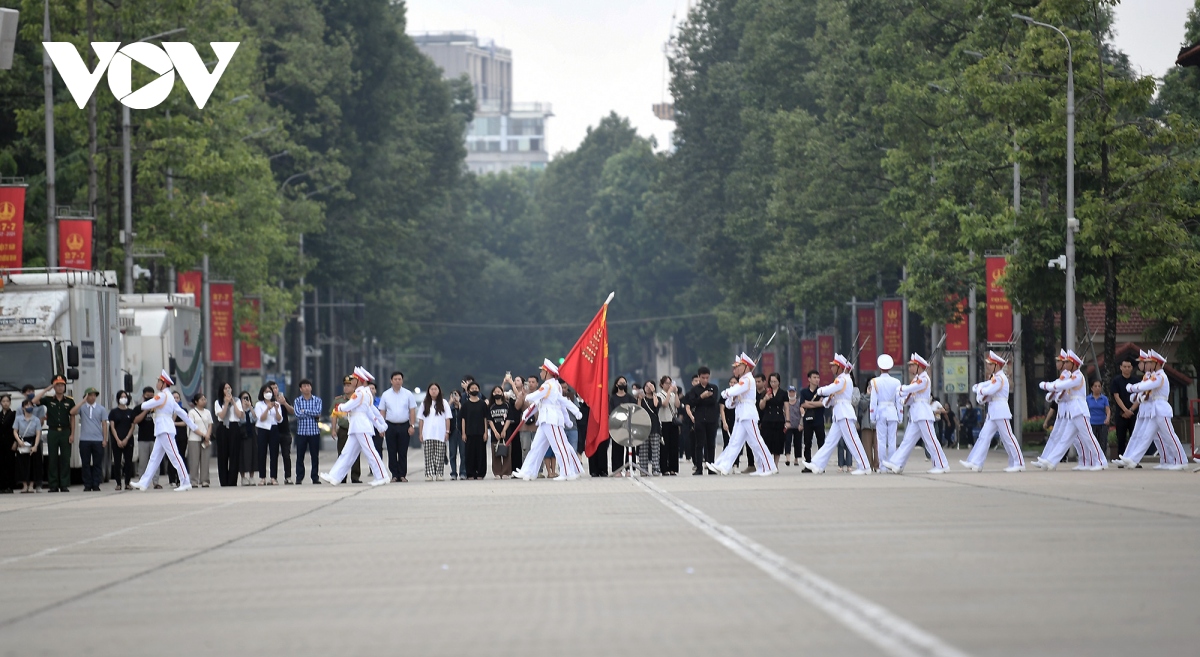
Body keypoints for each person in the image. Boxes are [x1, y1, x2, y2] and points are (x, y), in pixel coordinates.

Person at [1035, 350, 1107, 471]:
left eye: (1068, 362)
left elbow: (1060, 385)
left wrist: (1046, 385)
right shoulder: (1072, 376)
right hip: (1073, 412)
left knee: (1089, 437)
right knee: (1065, 438)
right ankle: (1051, 461)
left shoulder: (1078, 377)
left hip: (1080, 410)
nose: (1065, 364)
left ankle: (1101, 461)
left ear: (1074, 364)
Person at [513, 360, 584, 481]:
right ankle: (528, 471)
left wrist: (524, 396)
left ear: (547, 373)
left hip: (551, 419)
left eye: (542, 371)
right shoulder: (554, 385)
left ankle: (567, 472)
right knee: (537, 446)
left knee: (559, 446)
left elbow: (534, 398)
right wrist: (526, 413)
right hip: (546, 420)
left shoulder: (548, 386)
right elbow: (539, 403)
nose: (540, 373)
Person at [799, 354, 870, 475]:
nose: (831, 368)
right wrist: (827, 401)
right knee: (830, 442)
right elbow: (833, 398)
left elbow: (830, 389)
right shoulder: (841, 379)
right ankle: (818, 464)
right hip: (839, 414)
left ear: (839, 367)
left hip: (844, 413)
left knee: (853, 440)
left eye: (833, 366)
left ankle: (864, 466)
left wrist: (820, 391)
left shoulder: (842, 379)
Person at [1117, 350, 1188, 470]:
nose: (1147, 364)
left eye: (1150, 362)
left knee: (1170, 436)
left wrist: (1131, 387)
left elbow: (1145, 386)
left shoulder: (1160, 377)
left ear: (1157, 364)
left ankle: (1181, 461)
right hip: (1155, 411)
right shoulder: (1154, 376)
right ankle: (1133, 460)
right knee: (1146, 436)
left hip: (1161, 409)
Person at [707, 353, 775, 476]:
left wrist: (726, 392)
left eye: (738, 367)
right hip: (741, 414)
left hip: (748, 414)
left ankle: (769, 467)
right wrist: (731, 398)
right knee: (735, 442)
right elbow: (730, 404)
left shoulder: (747, 380)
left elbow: (735, 391)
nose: (735, 369)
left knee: (757, 442)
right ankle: (723, 465)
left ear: (746, 367)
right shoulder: (743, 380)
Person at [129, 371, 197, 492]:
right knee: (154, 458)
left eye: (159, 381)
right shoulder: (169, 397)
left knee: (174, 456)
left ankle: (185, 481)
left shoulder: (162, 395)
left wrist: (143, 404)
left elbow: (146, 405)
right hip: (162, 429)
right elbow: (181, 412)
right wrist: (193, 426)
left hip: (165, 428)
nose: (157, 383)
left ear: (163, 383)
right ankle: (144, 482)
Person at [320, 367, 389, 486]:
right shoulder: (366, 393)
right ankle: (335, 476)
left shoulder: (360, 393)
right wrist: (380, 425)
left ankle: (382, 476)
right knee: (347, 453)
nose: (351, 381)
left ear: (359, 381)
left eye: (353, 379)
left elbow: (349, 406)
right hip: (357, 426)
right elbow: (372, 411)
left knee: (370, 452)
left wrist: (339, 407)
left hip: (360, 426)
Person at [882, 353, 949, 474]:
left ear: (918, 366)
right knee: (907, 441)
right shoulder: (916, 379)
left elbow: (910, 389)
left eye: (912, 365)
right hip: (916, 414)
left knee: (931, 441)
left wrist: (901, 389)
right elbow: (912, 397)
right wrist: (903, 399)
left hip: (923, 413)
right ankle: (897, 463)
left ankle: (942, 464)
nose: (910, 368)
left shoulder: (924, 379)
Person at [961, 351, 1024, 472]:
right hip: (993, 411)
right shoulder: (996, 378)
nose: (988, 366)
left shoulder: (1000, 378)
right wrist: (980, 387)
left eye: (990, 364)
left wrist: (979, 388)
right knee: (983, 436)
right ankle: (976, 462)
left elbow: (988, 390)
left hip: (1000, 411)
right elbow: (987, 387)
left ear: (997, 365)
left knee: (1008, 438)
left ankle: (1019, 462)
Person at [35, 376, 75, 493]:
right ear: (54, 387)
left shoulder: (69, 401)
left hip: (65, 431)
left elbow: (72, 418)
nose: (60, 387)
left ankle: (64, 484)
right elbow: (34, 401)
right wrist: (46, 389)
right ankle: (53, 484)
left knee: (65, 459)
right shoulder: (48, 399)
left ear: (65, 387)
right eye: (57, 385)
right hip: (52, 431)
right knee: (52, 459)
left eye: (62, 385)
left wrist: (72, 434)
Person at [378, 371, 418, 483]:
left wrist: (412, 425)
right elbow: (382, 412)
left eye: (399, 379)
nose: (397, 381)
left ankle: (402, 475)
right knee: (391, 451)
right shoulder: (386, 394)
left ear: (402, 380)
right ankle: (394, 474)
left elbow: (412, 410)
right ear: (391, 381)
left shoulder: (408, 394)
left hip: (404, 425)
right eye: (395, 379)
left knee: (402, 451)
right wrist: (382, 427)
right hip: (390, 425)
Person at [69, 387, 108, 492]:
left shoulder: (101, 409)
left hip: (97, 440)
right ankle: (87, 484)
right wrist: (82, 401)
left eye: (94, 395)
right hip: (85, 440)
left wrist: (105, 439)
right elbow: (72, 412)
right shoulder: (82, 408)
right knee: (85, 463)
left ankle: (96, 484)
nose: (92, 397)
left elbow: (104, 424)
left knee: (97, 463)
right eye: (90, 395)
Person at [868, 354, 902, 472]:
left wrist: (872, 416)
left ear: (880, 367)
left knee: (881, 441)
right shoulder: (896, 382)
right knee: (892, 441)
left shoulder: (875, 381)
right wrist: (900, 415)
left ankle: (882, 466)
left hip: (880, 412)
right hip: (892, 411)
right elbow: (899, 401)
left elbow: (873, 401)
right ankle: (892, 464)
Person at [685, 368, 721, 476]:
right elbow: (692, 403)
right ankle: (699, 468)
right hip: (699, 419)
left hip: (711, 419)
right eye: (703, 378)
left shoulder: (713, 387)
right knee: (699, 444)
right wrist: (702, 397)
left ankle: (711, 467)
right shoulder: (694, 390)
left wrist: (701, 400)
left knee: (711, 444)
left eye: (707, 378)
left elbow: (713, 401)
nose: (705, 380)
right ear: (699, 377)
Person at [330, 376, 362, 484]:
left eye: (349, 385)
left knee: (355, 453)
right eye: (345, 386)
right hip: (343, 430)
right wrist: (333, 429)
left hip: (355, 429)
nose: (346, 388)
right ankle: (342, 476)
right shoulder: (338, 400)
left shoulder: (358, 399)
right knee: (342, 453)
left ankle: (355, 476)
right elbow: (334, 415)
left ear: (354, 387)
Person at [111, 392, 146, 491]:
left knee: (128, 462)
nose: (123, 398)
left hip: (128, 440)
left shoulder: (131, 412)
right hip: (116, 440)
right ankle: (118, 483)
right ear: (118, 399)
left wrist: (126, 439)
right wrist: (118, 439)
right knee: (117, 462)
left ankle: (127, 483)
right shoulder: (114, 412)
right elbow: (112, 427)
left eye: (125, 397)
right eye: (121, 397)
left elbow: (132, 426)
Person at [418, 383, 452, 481]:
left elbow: (447, 419)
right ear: (428, 391)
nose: (433, 391)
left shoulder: (444, 403)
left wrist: (447, 431)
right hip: (427, 433)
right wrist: (420, 433)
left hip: (440, 433)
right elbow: (421, 419)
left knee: (439, 455)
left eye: (435, 389)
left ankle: (439, 474)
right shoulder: (424, 404)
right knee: (428, 455)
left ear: (439, 391)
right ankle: (428, 474)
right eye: (431, 389)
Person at [292, 379, 323, 485]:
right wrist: (311, 413)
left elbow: (318, 412)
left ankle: (315, 477)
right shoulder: (297, 401)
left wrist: (304, 411)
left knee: (315, 456)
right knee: (300, 456)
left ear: (311, 387)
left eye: (308, 385)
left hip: (314, 432)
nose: (306, 387)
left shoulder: (317, 400)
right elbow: (297, 414)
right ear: (300, 389)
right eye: (304, 386)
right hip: (301, 432)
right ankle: (299, 477)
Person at [213, 383, 244, 486]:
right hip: (222, 428)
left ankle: (232, 481)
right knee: (222, 455)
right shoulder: (218, 402)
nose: (227, 390)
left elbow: (240, 415)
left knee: (234, 455)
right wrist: (226, 403)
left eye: (229, 388)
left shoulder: (237, 400)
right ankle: (224, 481)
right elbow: (221, 416)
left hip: (234, 427)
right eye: (225, 388)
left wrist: (233, 402)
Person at [1110, 357, 1140, 461]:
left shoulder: (1136, 381)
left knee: (1134, 437)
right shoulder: (1116, 380)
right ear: (1121, 367)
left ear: (1132, 368)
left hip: (1134, 413)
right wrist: (1125, 410)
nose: (1127, 368)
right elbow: (1116, 396)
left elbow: (1140, 397)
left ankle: (1134, 460)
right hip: (1121, 414)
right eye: (1125, 366)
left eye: (1129, 367)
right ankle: (1121, 459)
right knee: (1121, 438)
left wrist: (1131, 410)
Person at [254, 384, 284, 485]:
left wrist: (275, 409)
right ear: (262, 393)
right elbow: (261, 418)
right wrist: (267, 408)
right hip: (263, 428)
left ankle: (273, 477)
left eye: (270, 392)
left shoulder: (276, 404)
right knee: (262, 453)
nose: (268, 394)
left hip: (273, 428)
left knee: (274, 453)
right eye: (266, 392)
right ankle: (262, 477)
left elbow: (279, 420)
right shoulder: (259, 405)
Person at [460, 381, 489, 480]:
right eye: (472, 389)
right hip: (469, 433)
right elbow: (463, 419)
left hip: (481, 432)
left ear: (479, 390)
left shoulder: (482, 404)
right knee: (470, 454)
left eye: (476, 388)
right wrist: (463, 433)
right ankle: (470, 473)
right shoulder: (465, 405)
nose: (474, 390)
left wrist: (486, 432)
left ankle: (481, 473)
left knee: (481, 454)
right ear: (468, 391)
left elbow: (485, 418)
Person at [133, 387, 161, 489]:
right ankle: (142, 481)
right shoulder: (139, 408)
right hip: (143, 438)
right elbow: (136, 420)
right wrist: (146, 410)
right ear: (143, 396)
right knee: (143, 462)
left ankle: (156, 482)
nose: (149, 398)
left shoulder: (158, 408)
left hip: (156, 438)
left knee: (155, 461)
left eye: (151, 396)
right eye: (147, 396)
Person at [798, 370, 825, 472]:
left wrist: (809, 403)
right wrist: (817, 403)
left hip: (819, 420)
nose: (817, 380)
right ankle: (808, 464)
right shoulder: (803, 392)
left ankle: (821, 464)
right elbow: (802, 404)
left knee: (821, 442)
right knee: (807, 443)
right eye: (814, 377)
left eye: (818, 377)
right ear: (809, 379)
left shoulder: (822, 391)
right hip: (808, 420)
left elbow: (823, 404)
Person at [759, 372, 787, 470]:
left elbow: (786, 407)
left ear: (779, 382)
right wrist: (765, 399)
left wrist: (788, 420)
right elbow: (761, 407)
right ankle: (768, 464)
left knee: (778, 443)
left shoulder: (783, 393)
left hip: (779, 420)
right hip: (767, 420)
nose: (773, 383)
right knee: (767, 442)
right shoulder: (765, 392)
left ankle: (775, 465)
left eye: (775, 381)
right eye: (771, 381)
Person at [269, 382, 295, 484]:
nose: (275, 390)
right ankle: (273, 477)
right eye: (272, 388)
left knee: (286, 455)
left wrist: (284, 403)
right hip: (273, 431)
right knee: (273, 456)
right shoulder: (268, 401)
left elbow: (292, 411)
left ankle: (288, 477)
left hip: (285, 431)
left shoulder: (283, 398)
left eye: (276, 387)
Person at [14, 400, 42, 493]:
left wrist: (35, 446)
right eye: (27, 405)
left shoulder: (36, 419)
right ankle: (24, 485)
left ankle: (31, 485)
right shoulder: (18, 418)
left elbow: (38, 433)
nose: (29, 406)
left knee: (34, 464)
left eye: (30, 405)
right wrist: (19, 441)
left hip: (33, 440)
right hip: (22, 441)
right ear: (23, 408)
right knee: (22, 464)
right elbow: (15, 431)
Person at [608, 377, 635, 474]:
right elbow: (610, 412)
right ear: (616, 384)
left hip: (628, 427)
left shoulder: (630, 397)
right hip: (617, 427)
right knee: (617, 449)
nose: (622, 384)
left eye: (624, 382)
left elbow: (635, 409)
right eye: (620, 382)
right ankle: (617, 470)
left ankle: (629, 469)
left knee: (630, 448)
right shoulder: (613, 398)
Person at [186, 393, 213, 487]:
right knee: (194, 461)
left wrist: (207, 435)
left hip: (205, 439)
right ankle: (193, 480)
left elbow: (210, 424)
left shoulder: (207, 412)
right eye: (201, 399)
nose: (204, 401)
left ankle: (205, 480)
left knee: (205, 460)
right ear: (196, 401)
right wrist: (203, 434)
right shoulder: (192, 412)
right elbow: (192, 426)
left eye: (204, 399)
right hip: (194, 439)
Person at [488, 386, 515, 478]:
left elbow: (509, 419)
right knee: (495, 453)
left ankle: (506, 472)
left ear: (502, 393)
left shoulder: (507, 405)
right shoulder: (491, 406)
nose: (497, 393)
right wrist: (495, 432)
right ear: (492, 393)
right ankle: (497, 472)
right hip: (494, 432)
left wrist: (504, 430)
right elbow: (490, 420)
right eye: (495, 392)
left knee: (507, 453)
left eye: (499, 391)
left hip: (506, 432)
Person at [638, 380, 663, 475]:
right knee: (643, 450)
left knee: (655, 449)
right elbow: (638, 410)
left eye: (651, 385)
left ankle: (656, 469)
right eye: (646, 386)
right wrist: (639, 399)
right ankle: (643, 470)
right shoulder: (641, 399)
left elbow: (656, 405)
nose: (648, 387)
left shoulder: (657, 398)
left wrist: (654, 393)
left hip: (654, 426)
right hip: (643, 426)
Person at [657, 377, 680, 475]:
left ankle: (673, 468)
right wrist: (669, 393)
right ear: (662, 384)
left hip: (673, 422)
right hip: (664, 421)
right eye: (666, 383)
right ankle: (664, 468)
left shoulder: (673, 394)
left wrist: (676, 394)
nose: (669, 385)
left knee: (674, 446)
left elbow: (677, 405)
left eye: (670, 383)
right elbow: (664, 404)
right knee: (664, 447)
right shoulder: (659, 395)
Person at [1086, 378, 1111, 464]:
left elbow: (1107, 410)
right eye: (1095, 386)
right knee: (1092, 442)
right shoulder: (1087, 399)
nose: (1097, 388)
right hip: (1092, 423)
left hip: (1102, 423)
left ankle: (1102, 460)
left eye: (1099, 386)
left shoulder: (1104, 399)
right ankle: (1093, 459)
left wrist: (1107, 418)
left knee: (1102, 442)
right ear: (1091, 388)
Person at [237, 391, 258, 484]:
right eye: (244, 398)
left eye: (247, 398)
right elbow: (241, 420)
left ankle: (251, 476)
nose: (246, 400)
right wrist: (243, 408)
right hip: (242, 432)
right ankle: (243, 477)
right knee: (242, 455)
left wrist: (250, 407)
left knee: (252, 454)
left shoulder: (253, 408)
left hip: (252, 432)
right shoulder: (238, 409)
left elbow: (255, 419)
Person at [447, 390, 464, 480]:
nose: (454, 397)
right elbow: (444, 414)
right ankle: (453, 472)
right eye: (453, 395)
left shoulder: (462, 406)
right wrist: (450, 403)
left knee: (463, 453)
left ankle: (462, 472)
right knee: (452, 453)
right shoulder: (449, 407)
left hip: (461, 431)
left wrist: (459, 405)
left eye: (456, 395)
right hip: (452, 432)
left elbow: (464, 415)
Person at [783, 386, 802, 467]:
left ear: (795, 392)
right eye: (790, 392)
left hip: (797, 426)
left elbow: (802, 414)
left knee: (798, 443)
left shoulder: (799, 402)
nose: (791, 393)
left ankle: (796, 459)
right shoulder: (785, 403)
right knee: (787, 442)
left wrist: (801, 424)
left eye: (793, 392)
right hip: (788, 426)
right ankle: (787, 458)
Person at [0, 395, 13, 493]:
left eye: (7, 401)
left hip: (10, 442)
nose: (5, 403)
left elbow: (16, 429)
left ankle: (9, 486)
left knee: (10, 464)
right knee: (1, 464)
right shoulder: (0, 415)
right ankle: (2, 486)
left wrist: (16, 442)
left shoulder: (13, 414)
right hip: (1, 442)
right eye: (3, 401)